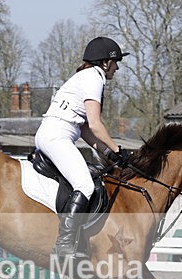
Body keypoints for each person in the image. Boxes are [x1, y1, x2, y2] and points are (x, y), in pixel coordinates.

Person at [35, 36, 133, 260]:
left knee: (92, 176)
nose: (117, 67)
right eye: (115, 62)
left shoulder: (87, 77)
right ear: (105, 62)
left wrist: (108, 153)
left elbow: (87, 130)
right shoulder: (93, 78)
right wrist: (117, 149)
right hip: (56, 136)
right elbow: (97, 125)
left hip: (57, 134)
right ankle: (64, 243)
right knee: (85, 185)